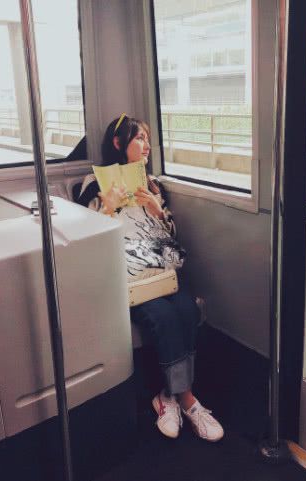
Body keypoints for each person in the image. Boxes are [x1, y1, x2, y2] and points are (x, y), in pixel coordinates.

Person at [78, 114, 224, 442]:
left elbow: (170, 242)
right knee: (161, 315)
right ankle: (188, 400)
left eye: (147, 138)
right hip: (126, 276)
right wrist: (107, 209)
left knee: (187, 309)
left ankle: (168, 396)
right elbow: (84, 240)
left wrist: (158, 210)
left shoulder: (153, 184)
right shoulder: (92, 184)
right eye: (139, 138)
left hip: (159, 268)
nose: (146, 146)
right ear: (118, 143)